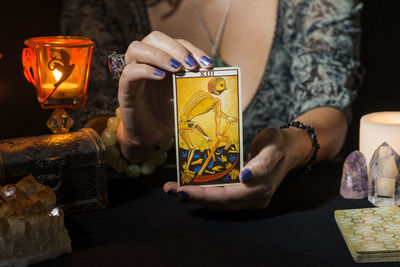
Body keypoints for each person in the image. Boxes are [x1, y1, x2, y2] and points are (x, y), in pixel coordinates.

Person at [61, 0, 363, 210]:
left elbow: (329, 107)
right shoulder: (104, 5)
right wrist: (129, 140)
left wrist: (287, 147)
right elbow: (85, 121)